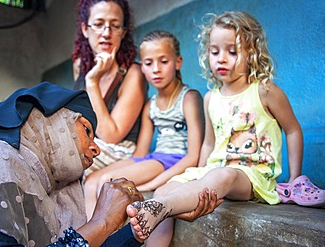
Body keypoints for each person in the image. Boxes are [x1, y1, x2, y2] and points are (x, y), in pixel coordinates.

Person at [126, 11, 304, 244]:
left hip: (251, 176)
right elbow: (209, 143)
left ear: (252, 53)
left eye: (232, 51)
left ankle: (161, 207)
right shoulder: (211, 98)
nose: (221, 58)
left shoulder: (265, 91)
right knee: (165, 188)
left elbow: (293, 130)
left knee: (224, 175)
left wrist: (294, 179)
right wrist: (197, 177)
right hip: (214, 169)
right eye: (214, 51)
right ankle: (160, 210)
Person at [0, 82, 145, 247]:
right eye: (87, 130)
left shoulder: (41, 186)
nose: (97, 149)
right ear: (51, 122)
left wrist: (136, 232)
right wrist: (101, 221)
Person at [84, 30, 204, 219]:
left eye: (163, 62)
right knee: (92, 180)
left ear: (178, 62)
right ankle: (90, 238)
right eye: (148, 63)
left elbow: (194, 156)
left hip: (172, 159)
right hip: (152, 158)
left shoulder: (189, 98)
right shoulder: (151, 104)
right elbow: (140, 154)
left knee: (107, 181)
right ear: (142, 67)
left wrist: (150, 185)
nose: (156, 69)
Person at [71, 0, 147, 178]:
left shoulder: (133, 73)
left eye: (114, 26)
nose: (106, 33)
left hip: (119, 151)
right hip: (85, 143)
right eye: (98, 24)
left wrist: (92, 82)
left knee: (66, 158)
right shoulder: (79, 65)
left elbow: (111, 136)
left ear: (123, 32)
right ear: (85, 29)